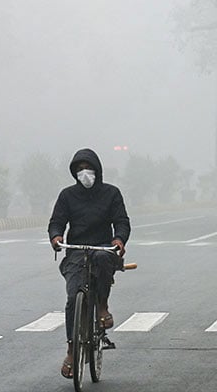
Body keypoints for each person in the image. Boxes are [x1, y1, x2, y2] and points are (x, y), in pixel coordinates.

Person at [48, 148, 131, 379]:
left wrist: (118, 240)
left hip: (102, 248)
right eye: (80, 169)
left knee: (105, 260)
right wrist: (56, 237)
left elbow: (122, 222)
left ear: (98, 170)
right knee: (74, 297)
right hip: (75, 252)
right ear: (74, 172)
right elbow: (56, 221)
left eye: (89, 168)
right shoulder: (67, 196)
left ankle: (102, 306)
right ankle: (72, 351)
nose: (85, 173)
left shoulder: (111, 194)